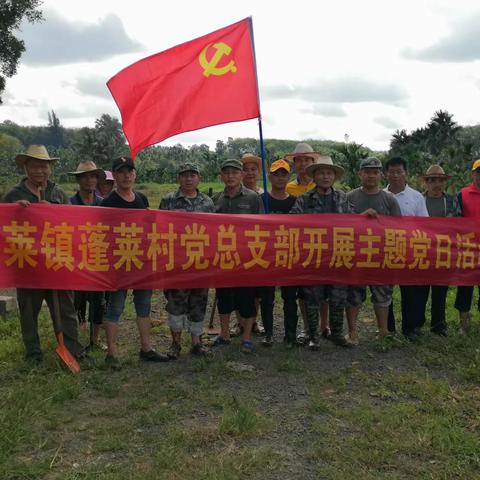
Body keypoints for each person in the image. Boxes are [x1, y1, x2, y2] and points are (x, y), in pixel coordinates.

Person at [3, 145, 85, 363]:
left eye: (44, 166)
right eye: (35, 166)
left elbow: (72, 222)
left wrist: (54, 210)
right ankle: (33, 352)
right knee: (29, 310)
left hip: (57, 261)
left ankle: (72, 349)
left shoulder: (58, 193)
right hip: (29, 263)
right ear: (26, 168)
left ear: (50, 168)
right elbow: (4, 227)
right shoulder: (13, 195)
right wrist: (16, 212)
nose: (40, 171)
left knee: (65, 307)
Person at [100, 156, 169, 370]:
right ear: (115, 175)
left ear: (135, 174)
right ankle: (112, 353)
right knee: (115, 307)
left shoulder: (141, 199)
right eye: (121, 172)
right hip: (119, 262)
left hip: (141, 262)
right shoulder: (108, 203)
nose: (126, 175)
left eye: (129, 171)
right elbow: (101, 234)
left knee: (144, 306)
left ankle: (146, 348)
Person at [291, 155, 353, 349]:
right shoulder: (304, 200)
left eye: (329, 173)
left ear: (334, 176)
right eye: (321, 173)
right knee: (312, 299)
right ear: (314, 176)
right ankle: (313, 336)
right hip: (313, 256)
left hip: (338, 255)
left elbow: (356, 221)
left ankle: (337, 334)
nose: (325, 177)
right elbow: (291, 223)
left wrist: (368, 217)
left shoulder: (343, 198)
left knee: (337, 298)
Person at [159, 163, 215, 358]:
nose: (188, 179)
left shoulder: (208, 202)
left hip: (201, 263)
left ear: (199, 178)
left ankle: (196, 342)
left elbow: (214, 232)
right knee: (176, 304)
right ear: (178, 179)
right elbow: (160, 229)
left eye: (192, 175)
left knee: (198, 303)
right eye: (184, 175)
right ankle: (175, 344)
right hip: (177, 263)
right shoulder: (168, 201)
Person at [346, 157, 401, 343]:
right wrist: (360, 218)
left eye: (375, 172)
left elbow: (399, 229)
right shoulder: (350, 197)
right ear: (360, 174)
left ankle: (383, 331)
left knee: (383, 296)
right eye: (367, 172)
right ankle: (353, 332)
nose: (371, 175)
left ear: (381, 175)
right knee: (354, 296)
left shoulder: (389, 199)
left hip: (381, 257)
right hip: (356, 255)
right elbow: (340, 226)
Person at [212, 158, 265, 353]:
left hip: (246, 258)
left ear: (241, 175)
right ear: (221, 176)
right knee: (224, 297)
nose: (230, 176)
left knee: (247, 298)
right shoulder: (216, 199)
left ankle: (247, 337)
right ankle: (224, 334)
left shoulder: (253, 198)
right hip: (223, 258)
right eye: (226, 173)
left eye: (234, 172)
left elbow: (262, 227)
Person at [285, 143, 330, 341]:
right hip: (300, 247)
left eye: (307, 160)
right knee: (304, 291)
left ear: (313, 162)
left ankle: (324, 325)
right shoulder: (288, 187)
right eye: (299, 160)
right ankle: (306, 326)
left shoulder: (322, 185)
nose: (303, 163)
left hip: (325, 245)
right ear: (294, 164)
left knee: (325, 287)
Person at [384, 156, 429, 340]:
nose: (395, 175)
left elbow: (424, 224)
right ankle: (388, 329)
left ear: (406, 173)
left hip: (409, 250)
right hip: (385, 250)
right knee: (386, 291)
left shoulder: (416, 196)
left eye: (399, 171)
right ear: (386, 174)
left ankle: (410, 328)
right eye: (392, 172)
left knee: (409, 290)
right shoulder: (380, 195)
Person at [259, 160, 298, 347]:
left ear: (289, 177)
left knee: (290, 298)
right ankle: (268, 333)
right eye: (276, 174)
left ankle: (290, 335)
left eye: (284, 174)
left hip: (289, 255)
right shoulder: (261, 201)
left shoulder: (295, 203)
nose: (280, 178)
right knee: (267, 298)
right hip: (266, 256)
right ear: (270, 177)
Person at [69, 160, 107, 348]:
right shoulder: (70, 203)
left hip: (97, 257)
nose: (89, 180)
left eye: (93, 176)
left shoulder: (103, 203)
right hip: (75, 258)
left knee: (98, 301)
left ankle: (95, 340)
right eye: (85, 176)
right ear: (78, 180)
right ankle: (76, 337)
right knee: (77, 299)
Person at [419, 165, 460, 336]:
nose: (436, 184)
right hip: (422, 251)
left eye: (440, 180)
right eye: (432, 180)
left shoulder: (451, 201)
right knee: (420, 289)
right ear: (426, 183)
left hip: (443, 252)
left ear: (445, 182)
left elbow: (458, 225)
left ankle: (438, 324)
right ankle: (417, 323)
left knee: (440, 290)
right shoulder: (418, 200)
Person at [454, 158, 480, 334]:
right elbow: (455, 222)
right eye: (479, 172)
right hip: (468, 250)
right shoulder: (462, 194)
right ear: (473, 174)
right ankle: (464, 325)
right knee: (465, 288)